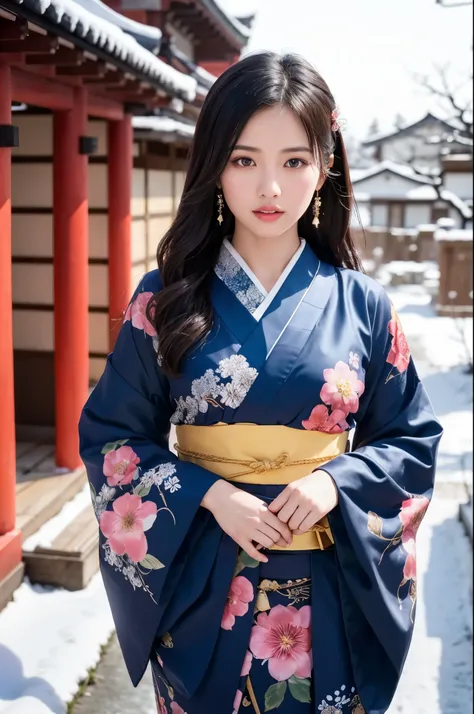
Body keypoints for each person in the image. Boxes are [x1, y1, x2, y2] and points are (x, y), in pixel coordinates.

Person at [78, 51, 442, 714]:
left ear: (325, 166)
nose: (269, 187)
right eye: (244, 160)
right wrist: (209, 493)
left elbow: (410, 442)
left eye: (294, 161)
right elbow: (113, 437)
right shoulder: (164, 301)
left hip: (329, 592)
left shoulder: (366, 306)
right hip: (204, 585)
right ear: (215, 164)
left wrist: (335, 482)